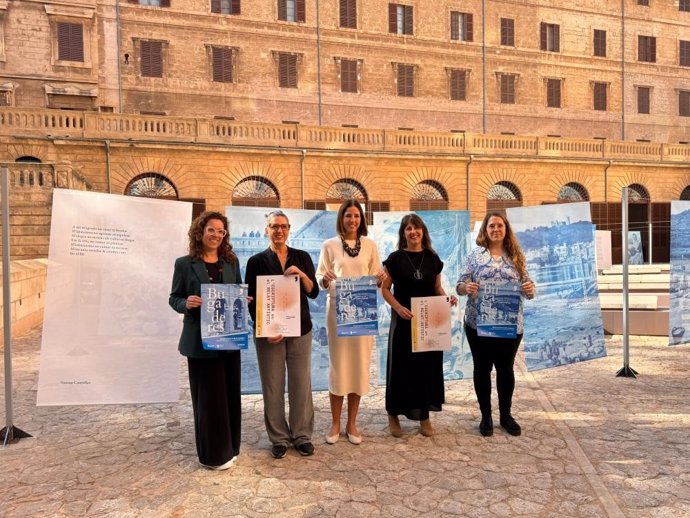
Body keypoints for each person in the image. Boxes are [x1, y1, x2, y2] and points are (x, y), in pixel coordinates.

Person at [169, 211, 242, 470]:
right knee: (209, 398)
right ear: (200, 232)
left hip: (230, 338)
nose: (216, 235)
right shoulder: (184, 263)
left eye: (221, 231)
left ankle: (232, 447)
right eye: (212, 230)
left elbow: (238, 291)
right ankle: (213, 455)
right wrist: (185, 303)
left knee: (230, 394)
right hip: (200, 342)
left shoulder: (231, 262)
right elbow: (174, 297)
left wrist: (243, 301)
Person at [245, 210, 319, 459]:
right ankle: (278, 438)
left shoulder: (302, 257)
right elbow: (251, 301)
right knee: (272, 385)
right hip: (270, 335)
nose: (279, 231)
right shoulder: (256, 261)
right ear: (267, 229)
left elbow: (314, 292)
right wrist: (265, 330)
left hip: (300, 330)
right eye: (274, 226)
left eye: (283, 226)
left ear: (289, 230)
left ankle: (302, 435)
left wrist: (303, 275)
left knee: (301, 384)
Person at [456, 212, 536, 437]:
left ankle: (506, 416)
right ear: (485, 230)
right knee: (482, 369)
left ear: (506, 229)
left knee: (505, 369)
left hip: (509, 325)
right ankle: (486, 416)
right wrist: (466, 288)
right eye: (491, 226)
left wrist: (530, 290)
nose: (495, 229)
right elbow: (460, 285)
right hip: (477, 324)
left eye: (499, 225)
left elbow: (527, 286)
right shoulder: (474, 256)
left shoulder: (516, 257)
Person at [316, 199, 386, 445]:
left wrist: (380, 278)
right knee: (339, 367)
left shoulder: (370, 245)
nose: (352, 220)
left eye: (356, 215)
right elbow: (319, 278)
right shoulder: (329, 245)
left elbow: (377, 277)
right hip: (337, 311)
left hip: (363, 313)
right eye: (348, 215)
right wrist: (324, 279)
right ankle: (335, 422)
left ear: (362, 219)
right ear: (341, 218)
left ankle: (352, 422)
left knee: (358, 367)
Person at [380, 214, 457, 437]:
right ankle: (393, 414)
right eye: (408, 229)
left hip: (428, 323)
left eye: (417, 228)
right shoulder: (394, 259)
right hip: (404, 321)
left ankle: (424, 415)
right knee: (401, 368)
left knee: (426, 368)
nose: (413, 232)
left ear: (423, 232)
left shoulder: (433, 258)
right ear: (403, 234)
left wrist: (447, 299)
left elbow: (437, 288)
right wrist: (397, 307)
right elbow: (385, 289)